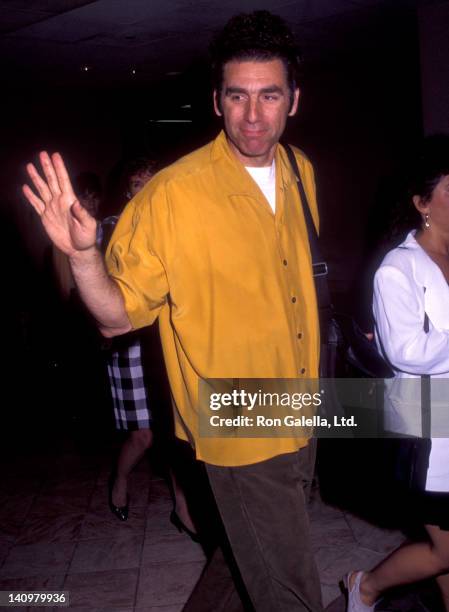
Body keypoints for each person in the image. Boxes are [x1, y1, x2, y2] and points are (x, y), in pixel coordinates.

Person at [23, 11, 323, 611]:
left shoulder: (300, 171)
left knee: (247, 555)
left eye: (270, 95)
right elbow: (115, 317)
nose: (254, 115)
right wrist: (85, 259)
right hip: (235, 418)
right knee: (290, 588)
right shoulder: (173, 195)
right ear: (217, 101)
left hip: (302, 401)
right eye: (238, 96)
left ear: (294, 100)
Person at [346, 134, 449, 612]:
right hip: (430, 425)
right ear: (421, 203)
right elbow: (408, 350)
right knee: (445, 548)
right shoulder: (398, 269)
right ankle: (365, 587)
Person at [101, 156, 196, 536]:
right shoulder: (113, 229)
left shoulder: (174, 227)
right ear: (127, 191)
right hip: (130, 347)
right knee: (144, 435)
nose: (146, 190)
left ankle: (183, 508)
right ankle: (120, 481)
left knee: (177, 432)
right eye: (138, 183)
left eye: (152, 182)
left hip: (168, 344)